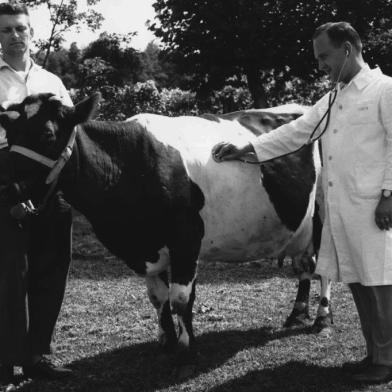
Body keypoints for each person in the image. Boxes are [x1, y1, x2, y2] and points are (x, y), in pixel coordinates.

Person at [212, 21, 392, 384]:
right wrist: (247, 149)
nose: (320, 65)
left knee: (382, 283)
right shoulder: (333, 97)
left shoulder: (384, 89)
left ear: (347, 49)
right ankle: (375, 353)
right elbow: (296, 132)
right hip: (343, 208)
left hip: (375, 206)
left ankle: (387, 362)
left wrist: (390, 195)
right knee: (358, 282)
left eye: (324, 56)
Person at [0, 2, 73, 390]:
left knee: (51, 269)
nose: (15, 35)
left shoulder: (53, 82)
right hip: (7, 182)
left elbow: (71, 134)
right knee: (10, 275)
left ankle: (39, 355)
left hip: (51, 185)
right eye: (7, 29)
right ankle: (5, 363)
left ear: (32, 32)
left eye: (21, 28)